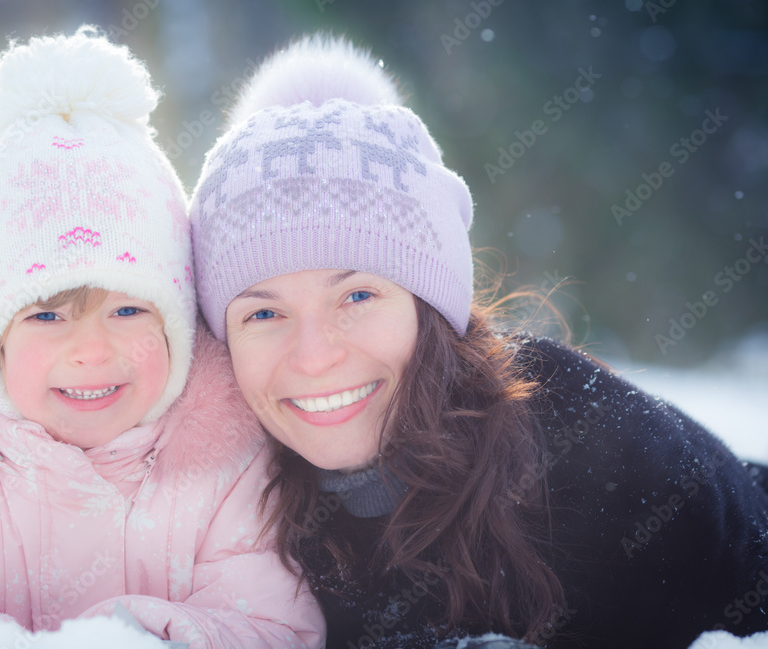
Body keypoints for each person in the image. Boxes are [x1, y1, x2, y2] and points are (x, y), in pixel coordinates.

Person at [188, 34, 768, 648]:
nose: (313, 355)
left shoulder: (584, 441)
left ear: (430, 307)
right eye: (263, 314)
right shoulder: (228, 503)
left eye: (356, 296)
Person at [0, 27, 324, 647]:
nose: (93, 351)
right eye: (46, 316)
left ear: (176, 321)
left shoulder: (226, 462)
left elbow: (272, 628)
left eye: (128, 311)